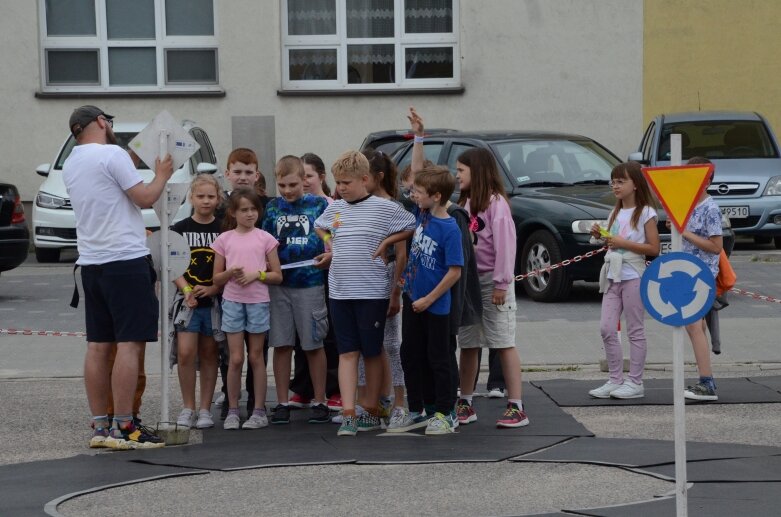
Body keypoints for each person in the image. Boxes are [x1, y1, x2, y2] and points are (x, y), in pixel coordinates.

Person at [63, 105, 170, 449]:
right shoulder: (112, 153)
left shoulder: (71, 162)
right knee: (129, 343)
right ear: (99, 122)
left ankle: (99, 426)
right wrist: (162, 174)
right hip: (124, 259)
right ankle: (124, 425)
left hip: (91, 263)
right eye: (109, 122)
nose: (111, 127)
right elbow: (144, 197)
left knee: (97, 345)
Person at [314, 150, 416, 436]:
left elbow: (411, 227)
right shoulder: (336, 208)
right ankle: (349, 411)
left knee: (373, 350)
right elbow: (320, 226)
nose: (341, 188)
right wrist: (329, 243)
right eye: (338, 183)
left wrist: (387, 242)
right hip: (340, 292)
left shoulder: (385, 208)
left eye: (346, 182)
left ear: (365, 179)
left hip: (372, 292)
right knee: (347, 352)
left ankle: (371, 408)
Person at [454, 147, 529, 428]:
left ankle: (516, 406)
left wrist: (501, 283)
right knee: (469, 343)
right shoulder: (465, 204)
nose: (457, 175)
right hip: (469, 283)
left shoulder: (497, 205)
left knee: (503, 342)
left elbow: (506, 248)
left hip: (493, 283)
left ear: (478, 171)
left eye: (461, 170)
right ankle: (466, 400)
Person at [261, 156, 331, 425]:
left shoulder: (319, 204)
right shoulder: (271, 208)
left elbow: (330, 235)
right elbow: (265, 243)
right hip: (279, 286)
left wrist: (330, 252)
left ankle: (320, 400)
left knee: (313, 343)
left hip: (310, 282)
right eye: (282, 185)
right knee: (282, 344)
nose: (288, 191)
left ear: (304, 180)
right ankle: (281, 401)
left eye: (293, 184)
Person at [397, 166, 463, 435]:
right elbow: (418, 170)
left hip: (434, 306)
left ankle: (446, 412)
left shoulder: (450, 228)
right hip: (413, 299)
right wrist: (419, 139)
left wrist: (429, 299)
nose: (413, 195)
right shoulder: (422, 215)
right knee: (410, 354)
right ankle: (417, 409)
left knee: (438, 358)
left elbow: (454, 271)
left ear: (436, 196)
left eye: (419, 192)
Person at [211, 189, 283, 430]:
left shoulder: (265, 238)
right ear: (233, 212)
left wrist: (257, 274)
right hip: (232, 302)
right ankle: (232, 409)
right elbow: (217, 279)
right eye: (244, 210)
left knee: (256, 356)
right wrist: (231, 272)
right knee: (235, 358)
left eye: (253, 209)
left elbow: (277, 275)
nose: (250, 214)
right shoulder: (224, 240)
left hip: (258, 302)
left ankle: (259, 410)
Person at [588, 161, 659, 399]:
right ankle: (615, 379)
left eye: (621, 181)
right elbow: (614, 241)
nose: (615, 186)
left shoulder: (647, 212)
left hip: (633, 275)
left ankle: (635, 382)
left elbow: (653, 248)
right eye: (613, 181)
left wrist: (620, 243)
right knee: (607, 328)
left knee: (635, 330)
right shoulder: (615, 211)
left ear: (636, 184)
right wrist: (602, 236)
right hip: (612, 275)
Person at [357, 150, 408, 423]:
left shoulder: (393, 208)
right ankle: (371, 404)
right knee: (366, 346)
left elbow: (401, 255)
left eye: (363, 177)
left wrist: (395, 291)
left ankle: (400, 403)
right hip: (362, 281)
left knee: (390, 344)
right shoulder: (358, 204)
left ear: (376, 177)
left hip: (385, 278)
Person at [288, 152, 341, 411]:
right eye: (302, 176)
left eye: (309, 176)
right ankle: (302, 388)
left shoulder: (330, 205)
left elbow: (336, 239)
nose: (305, 181)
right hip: (299, 280)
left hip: (326, 278)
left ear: (320, 177)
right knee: (301, 336)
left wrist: (330, 254)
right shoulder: (292, 206)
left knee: (324, 336)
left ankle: (332, 388)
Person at [170, 174, 224, 429]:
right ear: (191, 197)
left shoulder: (224, 229)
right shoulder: (179, 229)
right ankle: (188, 406)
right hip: (187, 302)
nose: (205, 201)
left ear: (218, 198)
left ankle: (205, 408)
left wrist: (214, 287)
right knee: (185, 353)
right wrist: (187, 290)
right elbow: (171, 266)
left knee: (210, 353)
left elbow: (231, 264)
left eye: (210, 196)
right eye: (200, 196)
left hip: (214, 303)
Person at [216, 148, 265, 418]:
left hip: (258, 292)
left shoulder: (262, 207)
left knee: (257, 354)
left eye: (248, 172)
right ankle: (230, 400)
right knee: (230, 354)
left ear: (256, 175)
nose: (243, 177)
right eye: (238, 172)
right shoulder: (219, 205)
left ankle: (256, 405)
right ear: (228, 174)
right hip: (228, 291)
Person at [680, 157, 723, 401]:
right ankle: (706, 380)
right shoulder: (689, 204)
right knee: (698, 327)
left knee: (693, 325)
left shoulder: (710, 208)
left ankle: (707, 383)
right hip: (688, 271)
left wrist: (684, 232)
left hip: (702, 275)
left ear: (707, 179)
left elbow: (716, 246)